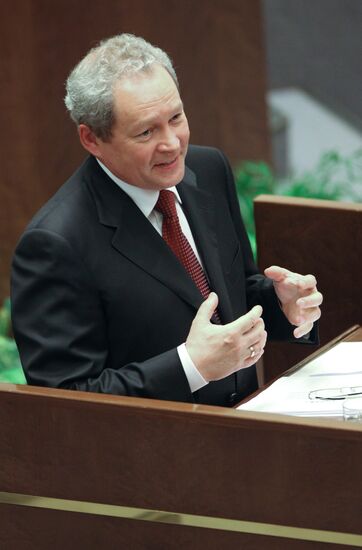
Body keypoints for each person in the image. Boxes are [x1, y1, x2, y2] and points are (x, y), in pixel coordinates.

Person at [11, 34, 322, 407]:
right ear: (91, 139)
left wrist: (281, 306)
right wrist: (191, 366)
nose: (172, 144)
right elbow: (64, 400)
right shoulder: (55, 244)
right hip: (157, 455)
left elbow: (229, 293)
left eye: (176, 117)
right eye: (146, 131)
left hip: (246, 428)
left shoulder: (207, 170)